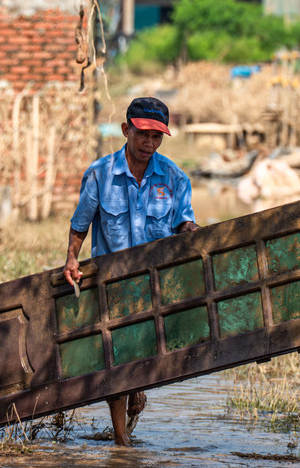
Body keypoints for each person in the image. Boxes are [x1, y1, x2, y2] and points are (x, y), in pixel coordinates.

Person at [62, 96, 200, 446]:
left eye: (156, 137)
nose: (148, 144)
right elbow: (81, 224)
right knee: (117, 358)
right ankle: (121, 442)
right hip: (113, 284)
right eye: (142, 135)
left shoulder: (174, 178)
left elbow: (184, 220)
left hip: (156, 285)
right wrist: (72, 260)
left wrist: (187, 230)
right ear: (126, 130)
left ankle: (136, 395)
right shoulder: (100, 174)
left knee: (143, 361)